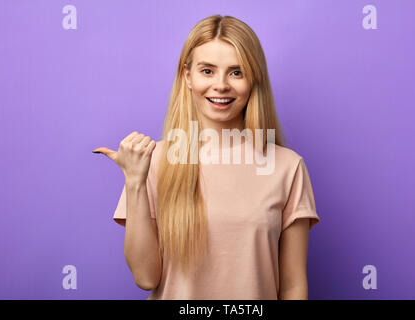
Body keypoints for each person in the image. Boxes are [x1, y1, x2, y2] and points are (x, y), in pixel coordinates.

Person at [92, 14, 320, 300]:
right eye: (207, 71)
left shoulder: (288, 167)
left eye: (237, 72)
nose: (221, 85)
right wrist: (135, 181)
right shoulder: (153, 162)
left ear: (254, 79)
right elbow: (145, 277)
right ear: (187, 76)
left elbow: (293, 285)